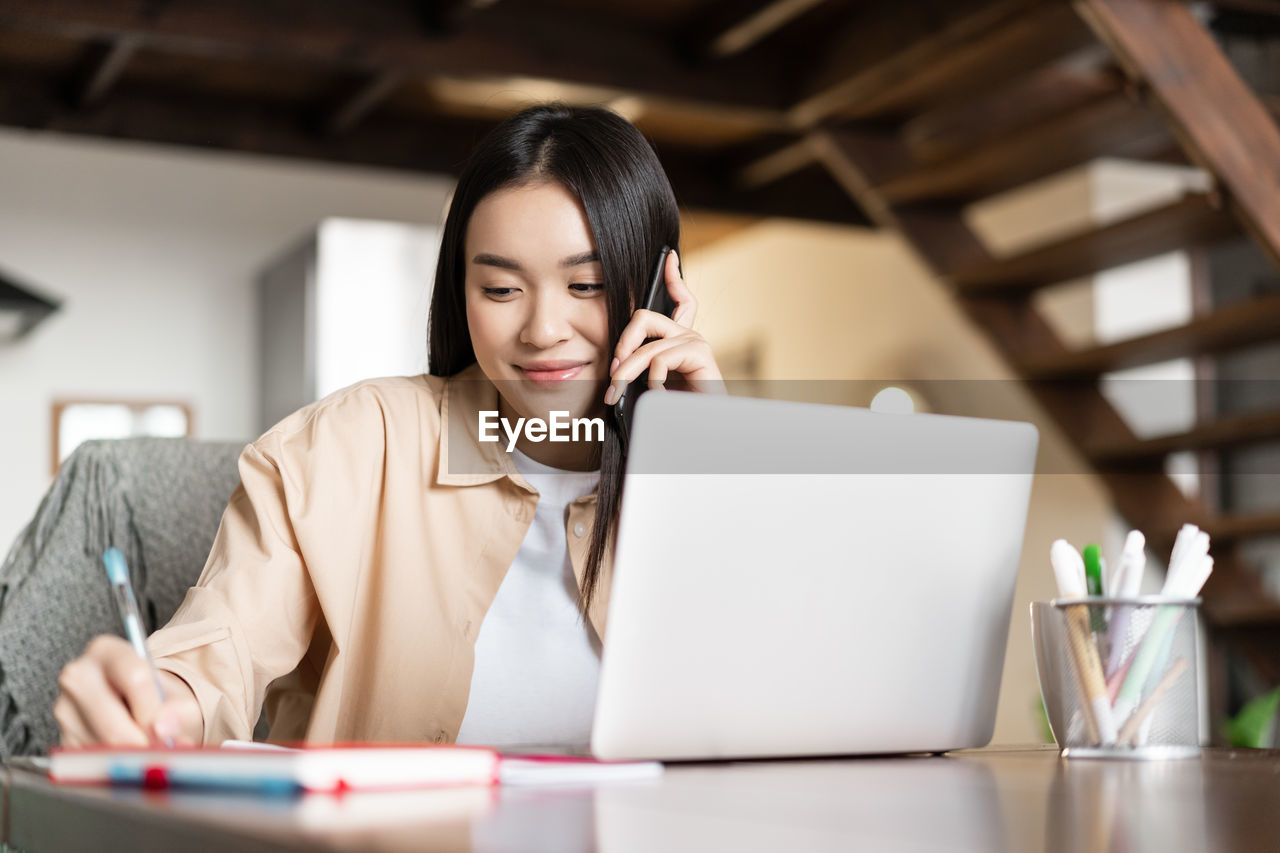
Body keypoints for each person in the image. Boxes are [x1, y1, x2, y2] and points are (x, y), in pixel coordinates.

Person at [53, 103, 723, 749]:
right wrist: (151, 700)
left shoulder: (711, 469)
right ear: (459, 295)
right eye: (499, 289)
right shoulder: (349, 442)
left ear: (660, 289)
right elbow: (217, 652)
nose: (544, 331)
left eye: (588, 285)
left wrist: (714, 462)